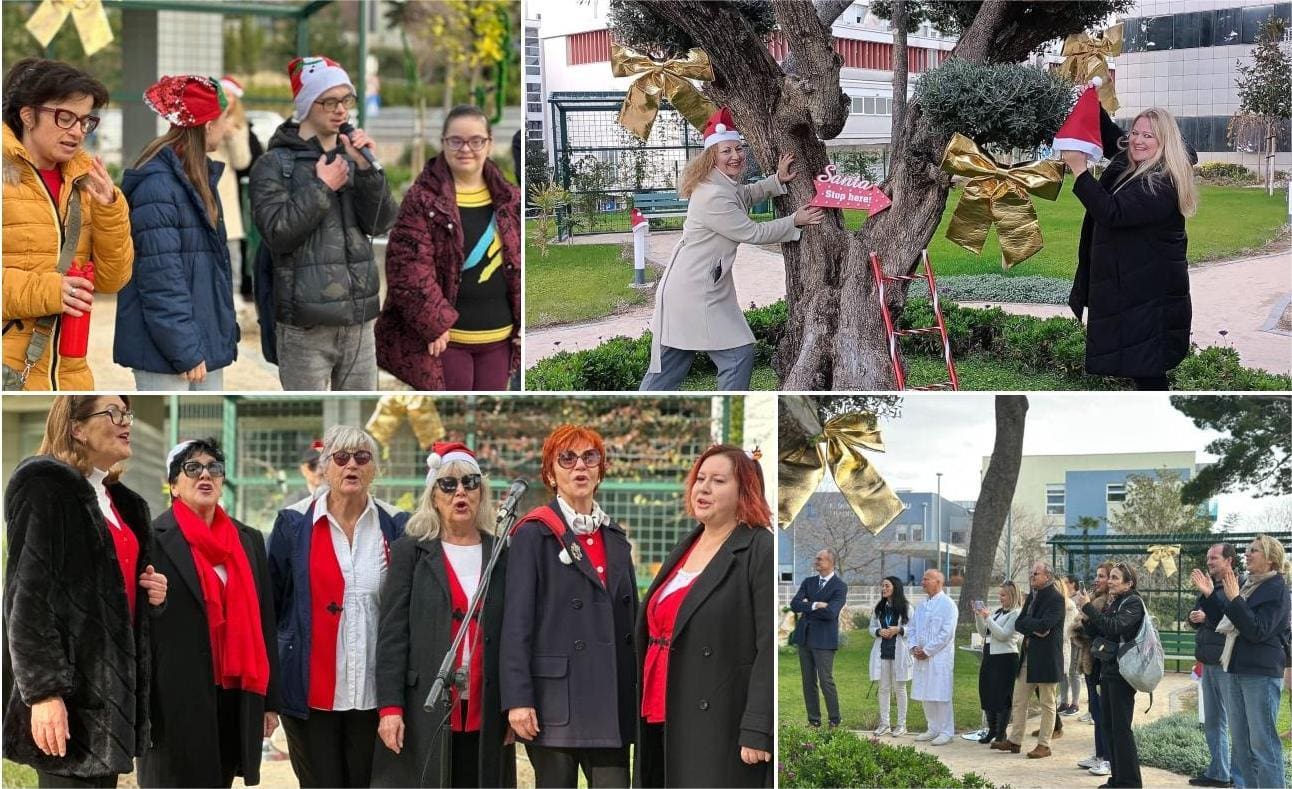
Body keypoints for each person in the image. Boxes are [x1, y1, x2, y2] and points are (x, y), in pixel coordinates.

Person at [2, 395, 168, 786]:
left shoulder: (123, 503)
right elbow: (26, 600)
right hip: (70, 701)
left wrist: (152, 594)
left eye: (127, 412)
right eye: (113, 412)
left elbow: (113, 597)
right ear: (76, 428)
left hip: (111, 703)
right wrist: (43, 694)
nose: (126, 420)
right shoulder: (45, 486)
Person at [640, 107, 824, 390]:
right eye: (726, 151)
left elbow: (746, 195)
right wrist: (794, 220)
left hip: (692, 288)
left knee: (670, 365)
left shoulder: (720, 184)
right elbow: (752, 232)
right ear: (712, 156)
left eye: (738, 149)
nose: (735, 156)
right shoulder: (713, 195)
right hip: (695, 292)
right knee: (737, 355)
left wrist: (776, 181)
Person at [267, 425, 410, 787]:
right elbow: (272, 607)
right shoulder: (293, 523)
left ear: (374, 468)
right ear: (325, 466)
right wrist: (268, 694)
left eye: (362, 458)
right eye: (341, 458)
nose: (352, 466)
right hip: (309, 692)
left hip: (376, 693)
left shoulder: (396, 525)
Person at [500, 425, 638, 787]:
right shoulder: (534, 533)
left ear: (600, 470)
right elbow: (516, 624)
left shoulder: (616, 539)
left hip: (609, 703)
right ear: (551, 473)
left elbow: (629, 625)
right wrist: (517, 699)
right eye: (568, 458)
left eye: (590, 458)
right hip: (553, 704)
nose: (580, 466)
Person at [372, 443, 515, 788]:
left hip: (486, 704)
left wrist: (513, 703)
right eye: (448, 485)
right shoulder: (412, 552)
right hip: (426, 704)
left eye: (470, 483)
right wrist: (390, 707)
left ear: (482, 494)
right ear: (433, 496)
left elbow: (514, 635)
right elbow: (393, 634)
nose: (460, 492)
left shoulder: (500, 553)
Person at [250, 55, 397, 391]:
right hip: (305, 325)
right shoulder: (273, 165)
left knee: (358, 410)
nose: (340, 110)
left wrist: (368, 172)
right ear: (304, 106)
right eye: (329, 101)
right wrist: (321, 187)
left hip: (359, 319)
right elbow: (278, 234)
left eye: (346, 100)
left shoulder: (351, 156)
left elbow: (382, 222)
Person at [138, 438, 279, 787]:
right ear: (173, 484)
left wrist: (268, 701)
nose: (205, 475)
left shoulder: (248, 540)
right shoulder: (151, 538)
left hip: (234, 695)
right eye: (192, 468)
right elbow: (134, 617)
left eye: (214, 468)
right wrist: (153, 603)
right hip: (173, 700)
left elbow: (265, 621)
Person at [634, 445, 773, 787]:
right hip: (660, 707)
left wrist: (758, 725)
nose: (703, 488)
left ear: (745, 490)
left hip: (720, 718)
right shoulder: (687, 545)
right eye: (700, 478)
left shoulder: (759, 549)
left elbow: (769, 647)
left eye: (718, 480)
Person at [2, 59, 133, 390]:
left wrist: (109, 210)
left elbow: (111, 280)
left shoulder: (84, 179)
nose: (76, 131)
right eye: (65, 117)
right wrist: (48, 291)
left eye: (85, 121)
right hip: (11, 364)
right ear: (27, 115)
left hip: (70, 371)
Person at [376, 104, 521, 391]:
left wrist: (522, 323)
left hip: (499, 340)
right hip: (446, 342)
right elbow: (408, 267)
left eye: (476, 140)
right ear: (443, 144)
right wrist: (433, 324)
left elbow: (520, 265)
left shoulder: (509, 200)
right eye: (456, 140)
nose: (466, 148)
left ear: (489, 144)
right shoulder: (422, 200)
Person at [114, 75, 238, 390]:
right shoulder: (158, 185)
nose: (228, 129)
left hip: (198, 345)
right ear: (208, 124)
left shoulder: (195, 178)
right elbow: (160, 279)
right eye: (225, 120)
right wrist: (184, 349)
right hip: (169, 352)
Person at [1062, 106, 1198, 390]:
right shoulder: (1138, 163)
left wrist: (1079, 170)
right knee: (1145, 369)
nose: (1137, 140)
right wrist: (1091, 101)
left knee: (1149, 372)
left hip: (1150, 299)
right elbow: (1115, 139)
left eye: (1148, 135)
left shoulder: (1162, 182)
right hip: (1139, 292)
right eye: (1135, 132)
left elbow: (1112, 212)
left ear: (1165, 142)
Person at [1197, 535, 1290, 789]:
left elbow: (1257, 630)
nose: (1247, 554)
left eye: (1255, 551)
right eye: (1248, 549)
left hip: (1260, 674)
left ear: (1271, 559)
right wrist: (1209, 595)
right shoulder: (1248, 585)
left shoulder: (1277, 589)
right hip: (1236, 669)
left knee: (1262, 743)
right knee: (1241, 744)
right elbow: (1225, 623)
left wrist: (1235, 599)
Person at [1076, 563, 1146, 788]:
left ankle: (1131, 783)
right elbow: (1100, 630)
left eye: (1116, 578)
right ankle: (1117, 778)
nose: (1111, 581)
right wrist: (1085, 616)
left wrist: (1089, 609)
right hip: (1108, 670)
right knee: (1109, 726)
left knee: (1121, 729)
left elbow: (1115, 627)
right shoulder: (1115, 602)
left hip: (1122, 674)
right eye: (1111, 577)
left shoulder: (1133, 602)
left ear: (1129, 583)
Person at [996, 562, 1065, 759]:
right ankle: (1015, 740)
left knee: (1047, 703)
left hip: (1046, 659)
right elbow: (1019, 623)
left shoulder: (1056, 599)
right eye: (1031, 573)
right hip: (1028, 657)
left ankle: (1044, 745)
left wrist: (1033, 627)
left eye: (1036, 573)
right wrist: (1035, 628)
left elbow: (1045, 626)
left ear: (1048, 576)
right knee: (1019, 700)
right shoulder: (1033, 596)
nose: (1032, 576)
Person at [1187, 544, 1238, 789]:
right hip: (1208, 662)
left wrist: (1208, 604)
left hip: (1227, 664)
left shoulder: (1235, 586)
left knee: (1235, 722)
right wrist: (1194, 616)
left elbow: (1231, 619)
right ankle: (1219, 772)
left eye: (1214, 558)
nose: (1209, 562)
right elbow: (1200, 616)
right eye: (1208, 557)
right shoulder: (1210, 586)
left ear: (1229, 560)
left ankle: (1238, 777)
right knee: (1213, 720)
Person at [790, 549, 846, 728]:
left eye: (820, 559)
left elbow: (831, 612)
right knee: (808, 681)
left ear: (831, 562)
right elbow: (794, 604)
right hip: (805, 638)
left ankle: (834, 719)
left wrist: (807, 607)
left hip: (824, 640)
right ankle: (814, 720)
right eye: (816, 559)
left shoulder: (840, 586)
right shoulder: (808, 582)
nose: (816, 562)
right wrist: (814, 605)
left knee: (825, 680)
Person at [212, 76, 253, 298]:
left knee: (232, 248)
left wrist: (232, 136)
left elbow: (243, 161)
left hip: (226, 193)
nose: (226, 100)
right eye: (222, 95)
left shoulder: (239, 126)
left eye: (230, 96)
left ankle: (234, 291)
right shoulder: (205, 123)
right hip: (207, 188)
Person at [909, 569, 957, 745]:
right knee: (925, 692)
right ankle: (933, 727)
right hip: (921, 657)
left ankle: (946, 730)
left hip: (939, 659)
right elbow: (912, 628)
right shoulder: (921, 606)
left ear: (938, 582)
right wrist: (914, 647)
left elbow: (946, 634)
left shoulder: (948, 605)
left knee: (941, 693)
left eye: (926, 579)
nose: (922, 582)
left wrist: (927, 651)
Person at [1076, 562, 1114, 777]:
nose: (1098, 579)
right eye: (1097, 575)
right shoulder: (1092, 600)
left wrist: (1085, 613)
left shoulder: (1105, 602)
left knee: (1103, 713)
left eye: (1102, 576)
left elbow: (1092, 628)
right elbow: (1079, 627)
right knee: (1096, 712)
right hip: (1091, 659)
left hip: (1101, 660)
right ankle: (1099, 754)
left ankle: (1108, 758)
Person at [974, 581, 1022, 746]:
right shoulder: (997, 613)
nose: (1000, 598)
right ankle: (992, 730)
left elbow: (1003, 635)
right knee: (987, 693)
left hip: (1006, 658)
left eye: (1003, 595)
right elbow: (983, 632)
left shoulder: (1015, 614)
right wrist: (979, 616)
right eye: (999, 595)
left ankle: (1001, 733)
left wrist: (988, 618)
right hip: (990, 656)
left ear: (1012, 595)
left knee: (1003, 697)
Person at [869, 576, 912, 737]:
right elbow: (871, 627)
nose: (883, 589)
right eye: (882, 586)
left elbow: (913, 628)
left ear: (895, 587)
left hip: (899, 652)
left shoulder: (906, 608)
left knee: (900, 689)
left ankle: (901, 725)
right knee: (884, 688)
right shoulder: (879, 607)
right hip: (883, 652)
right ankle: (885, 723)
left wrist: (899, 630)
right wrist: (879, 631)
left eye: (887, 586)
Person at [1059, 574, 1083, 715]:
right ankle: (1063, 701)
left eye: (1066, 582)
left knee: (1074, 672)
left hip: (1074, 639)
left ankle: (1075, 703)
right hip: (1063, 642)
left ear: (1073, 584)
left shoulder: (1079, 598)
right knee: (1063, 671)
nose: (1064, 585)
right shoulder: (1061, 598)